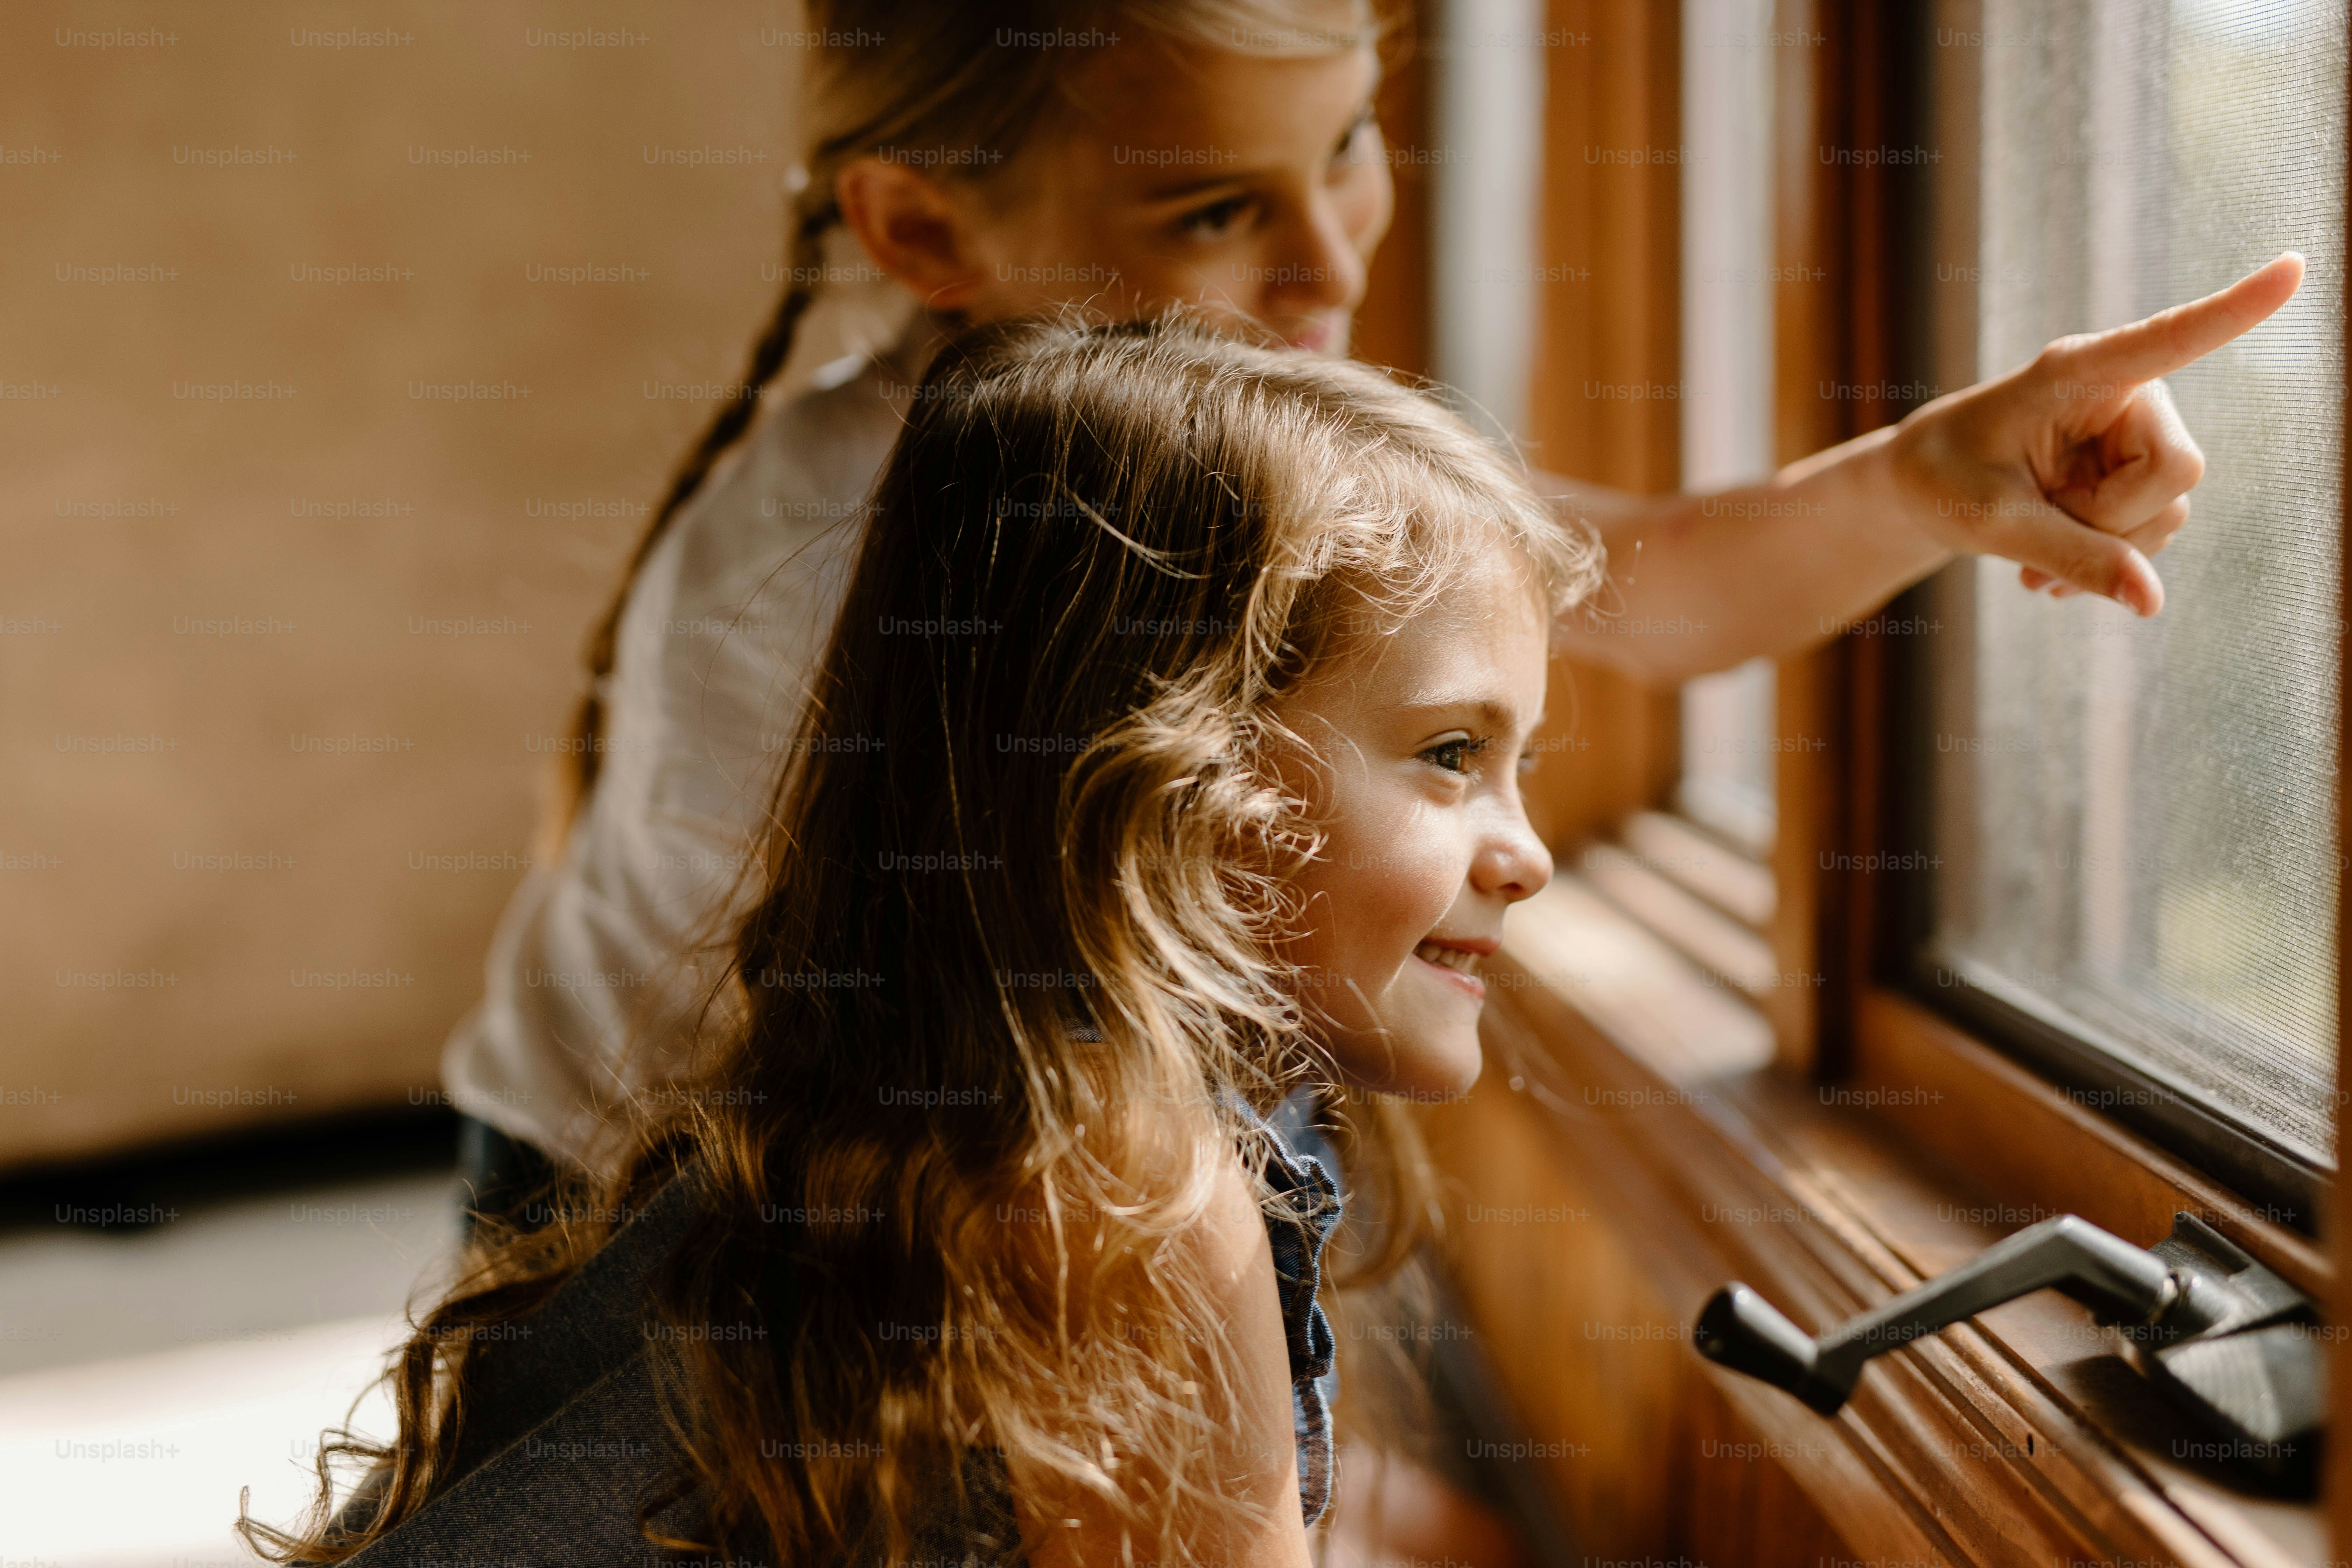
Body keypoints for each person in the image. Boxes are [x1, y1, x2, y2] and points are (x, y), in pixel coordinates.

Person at [438, 0, 2302, 1213]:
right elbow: (970, 1133)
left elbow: (1628, 592)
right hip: (660, 1215)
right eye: (1212, 214)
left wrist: (1930, 475)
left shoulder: (1207, 437)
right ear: (926, 232)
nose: (1332, 256)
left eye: (1347, 143)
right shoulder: (880, 540)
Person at [250, 313, 1598, 1566]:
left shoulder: (930, 1106)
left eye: (1520, 761)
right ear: (1165, 777)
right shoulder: (1124, 1195)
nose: (1525, 853)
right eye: (1451, 754)